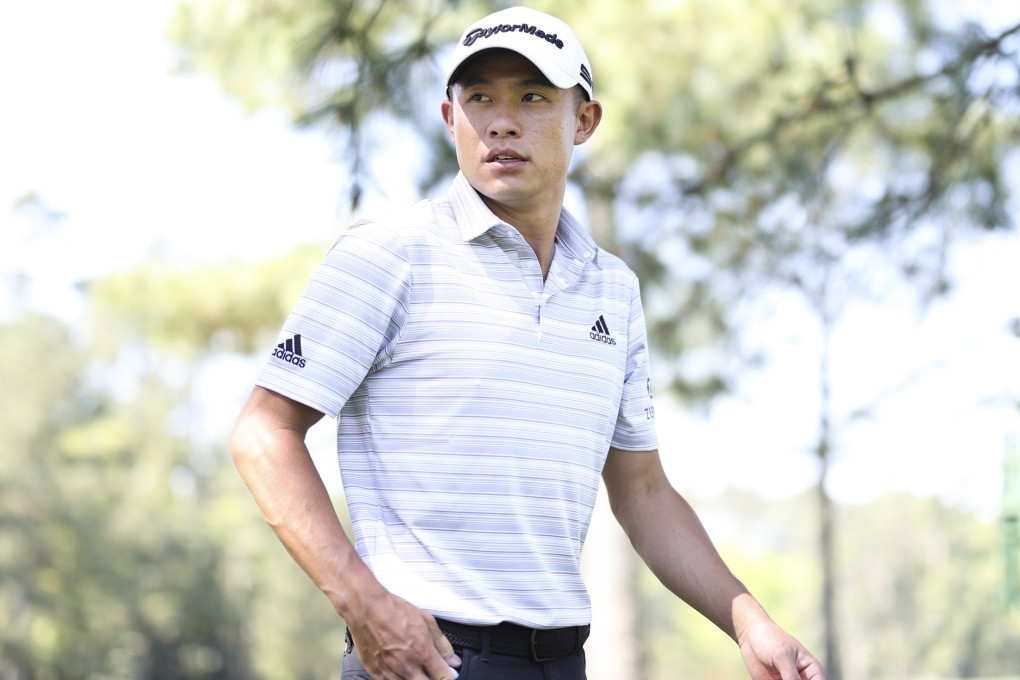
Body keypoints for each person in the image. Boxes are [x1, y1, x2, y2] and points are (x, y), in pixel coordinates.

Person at [229, 6, 827, 680]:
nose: (502, 121)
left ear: (585, 121)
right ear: (451, 118)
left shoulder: (613, 290)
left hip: (562, 660)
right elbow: (262, 434)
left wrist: (750, 621)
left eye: (533, 97)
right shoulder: (389, 255)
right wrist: (364, 606)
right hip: (427, 658)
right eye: (479, 97)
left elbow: (643, 492)